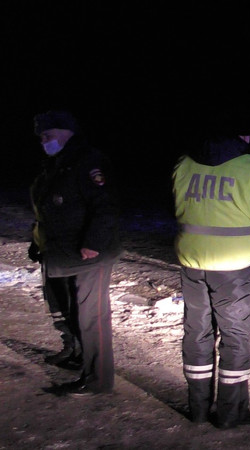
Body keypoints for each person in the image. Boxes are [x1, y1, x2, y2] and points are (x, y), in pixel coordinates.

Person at [172, 106, 250, 429]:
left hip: (191, 261)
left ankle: (197, 410)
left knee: (196, 332)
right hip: (233, 266)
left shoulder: (183, 163)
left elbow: (174, 208)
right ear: (244, 134)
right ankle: (230, 414)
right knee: (235, 337)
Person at [29, 109, 123, 397]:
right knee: (74, 312)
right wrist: (38, 242)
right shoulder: (59, 163)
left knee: (92, 317)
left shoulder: (88, 162)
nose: (43, 140)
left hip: (89, 256)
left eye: (47, 134)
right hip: (64, 252)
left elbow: (106, 206)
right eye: (40, 136)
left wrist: (92, 242)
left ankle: (98, 380)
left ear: (66, 131)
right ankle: (83, 360)